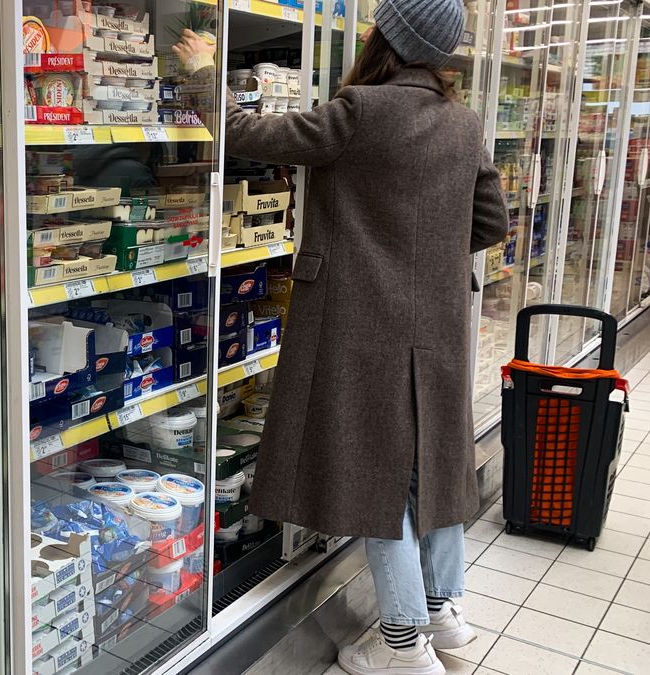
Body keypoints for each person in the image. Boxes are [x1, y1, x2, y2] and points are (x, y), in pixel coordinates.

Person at [173, 0, 508, 672]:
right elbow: (490, 222)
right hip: (438, 325)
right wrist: (425, 258)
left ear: (389, 38)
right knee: (432, 467)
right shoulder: (464, 123)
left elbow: (246, 131)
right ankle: (444, 611)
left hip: (361, 323)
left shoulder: (361, 111)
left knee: (371, 476)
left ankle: (403, 642)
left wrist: (205, 71)